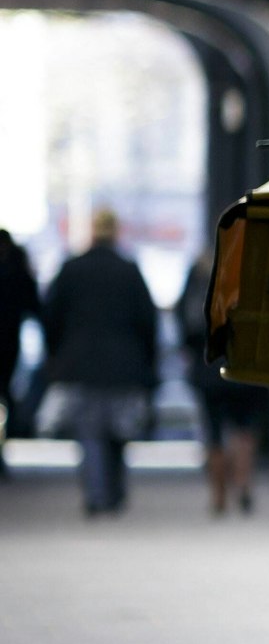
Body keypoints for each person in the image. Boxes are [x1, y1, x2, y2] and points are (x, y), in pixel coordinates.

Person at [38, 208, 159, 516]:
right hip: (123, 366)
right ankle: (115, 492)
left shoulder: (71, 269)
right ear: (116, 232)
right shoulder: (129, 271)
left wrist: (55, 355)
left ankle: (95, 493)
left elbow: (50, 317)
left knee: (89, 433)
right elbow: (148, 321)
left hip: (80, 365)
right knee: (118, 433)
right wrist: (148, 362)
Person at [179, 250, 265, 515]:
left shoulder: (199, 271)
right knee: (245, 428)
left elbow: (186, 320)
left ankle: (218, 497)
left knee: (213, 432)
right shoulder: (253, 266)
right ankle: (244, 484)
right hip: (245, 362)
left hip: (209, 364)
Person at [0, 228, 42, 475]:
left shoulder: (16, 265)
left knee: (5, 393)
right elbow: (33, 304)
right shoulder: (16, 264)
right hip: (8, 340)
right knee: (5, 393)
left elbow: (32, 303)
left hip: (8, 341)